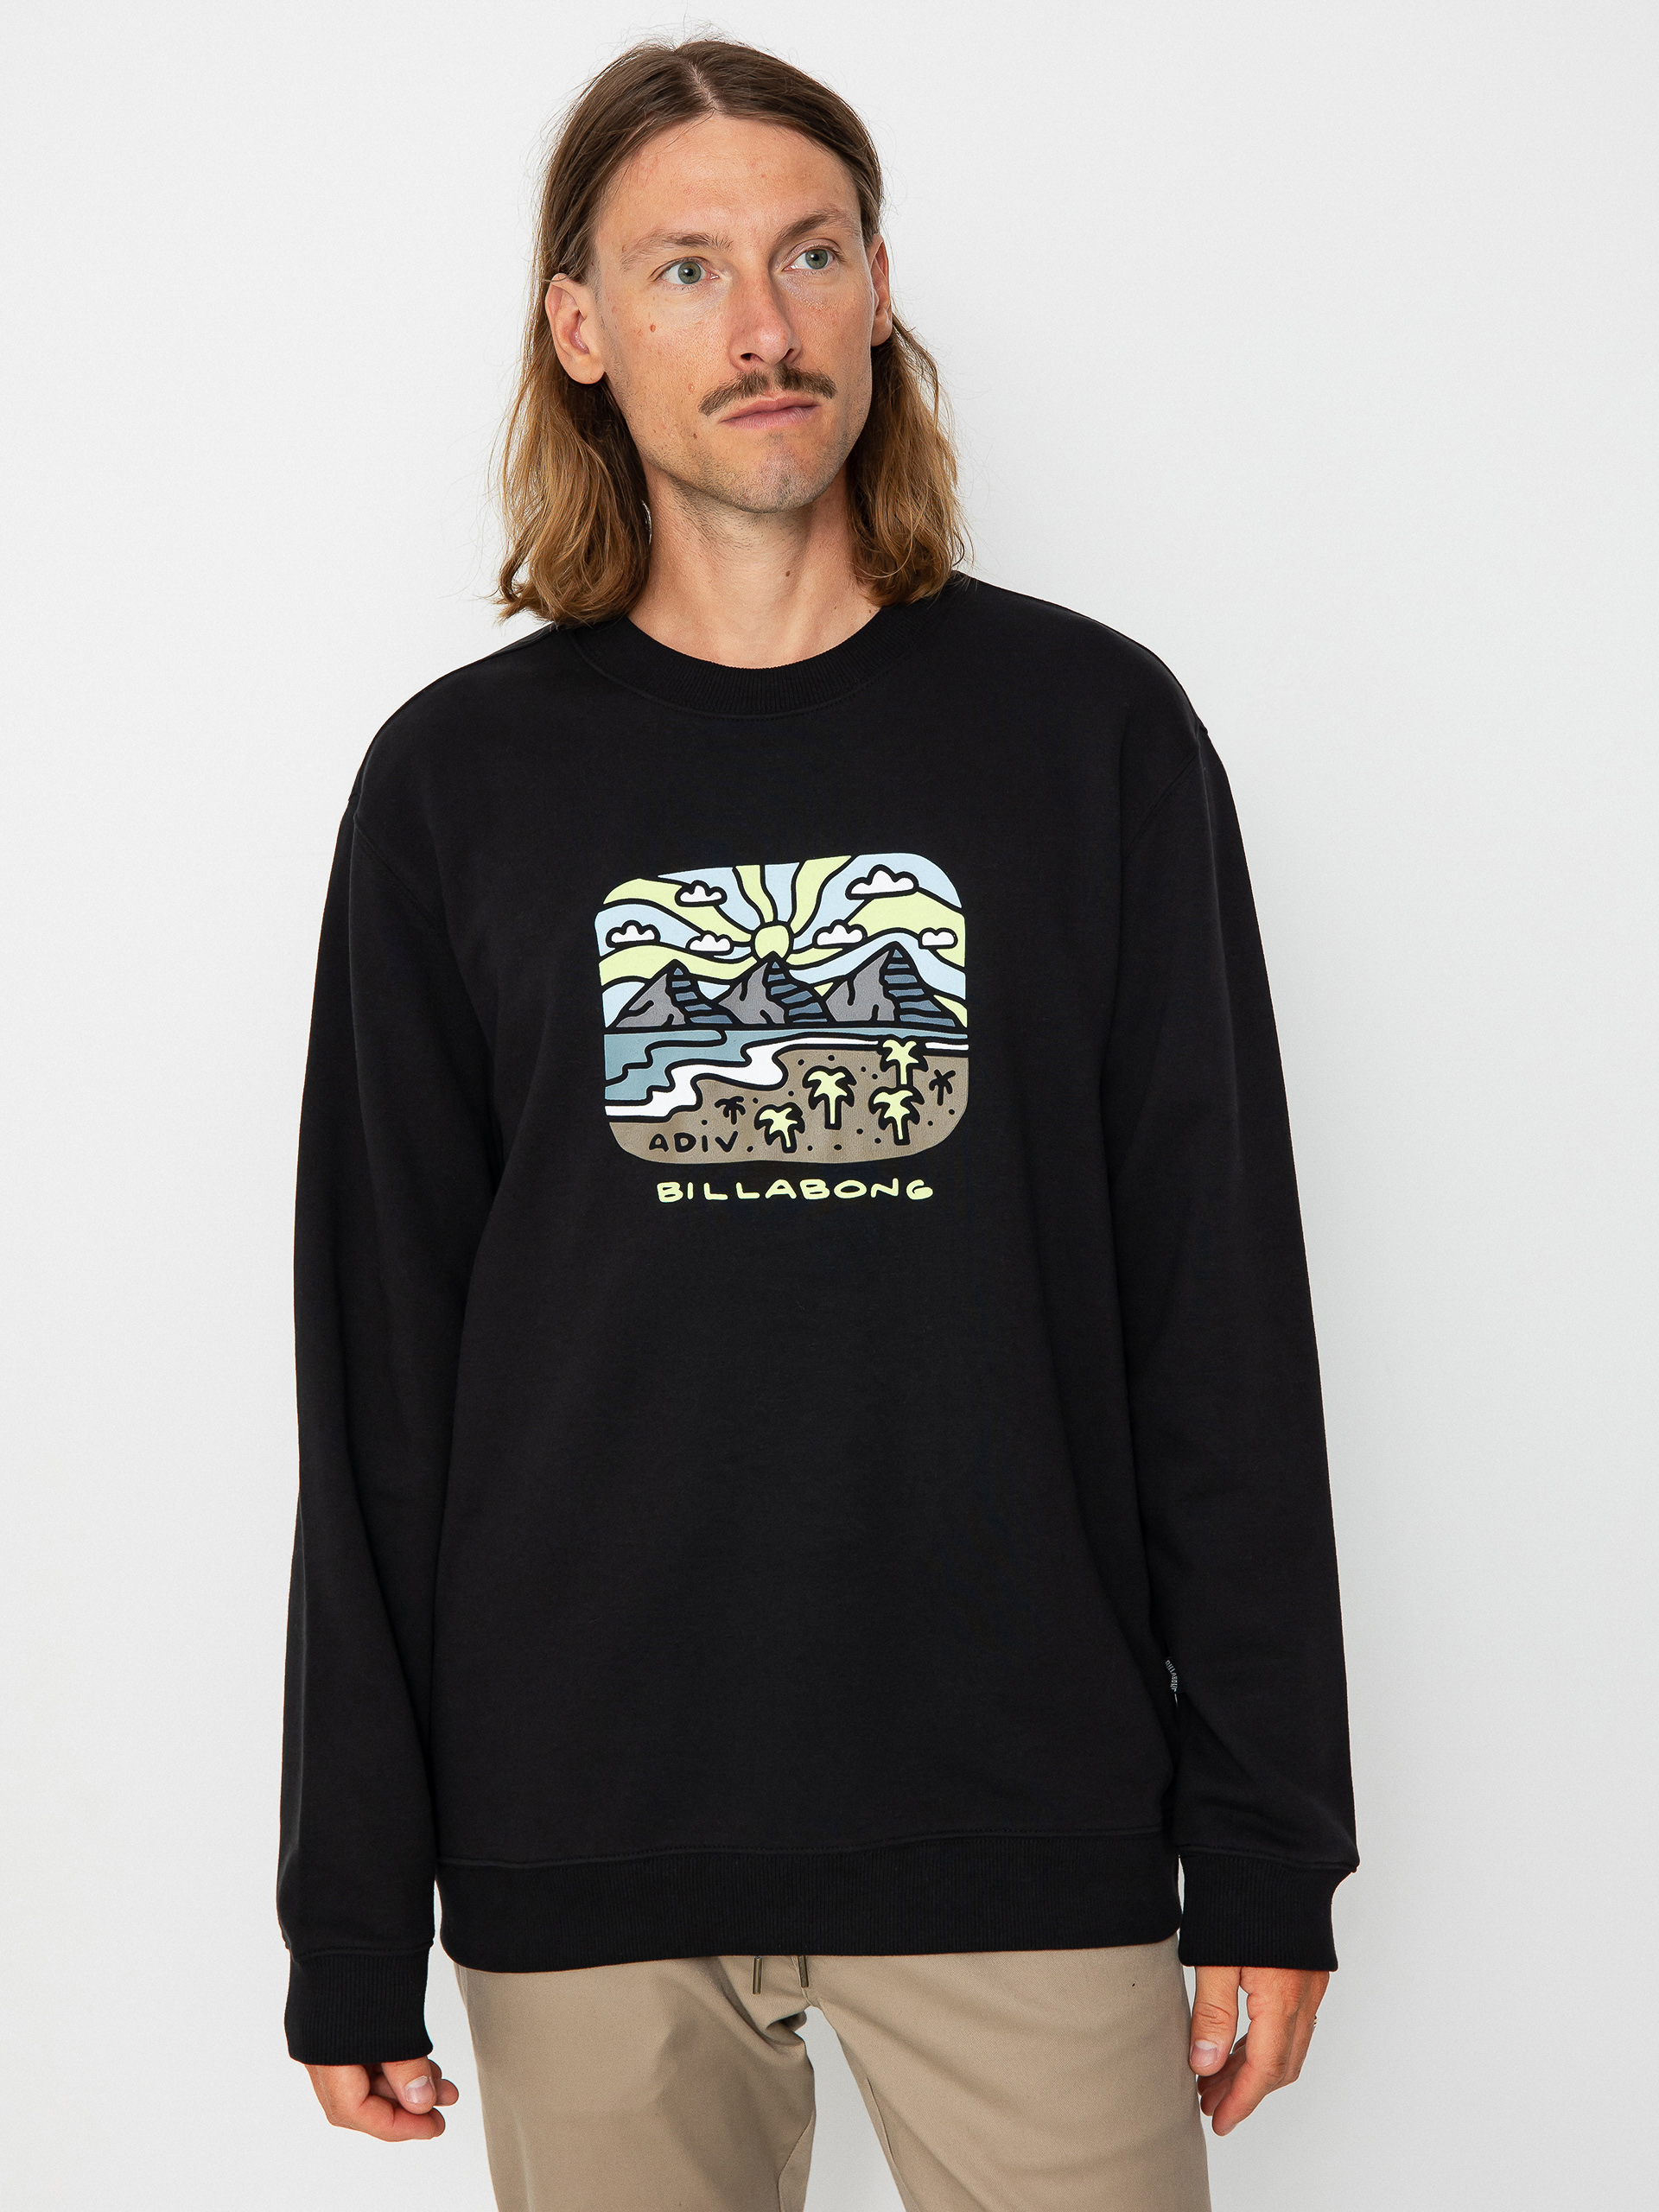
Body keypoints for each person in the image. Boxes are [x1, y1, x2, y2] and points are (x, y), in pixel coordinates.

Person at [278, 35, 1357, 2212]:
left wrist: (1269, 1840)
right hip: (582, 1825)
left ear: (877, 290)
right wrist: (351, 1897)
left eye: (810, 252)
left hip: (1024, 1805)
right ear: (582, 328)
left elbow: (1219, 1316)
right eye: (684, 268)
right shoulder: (456, 787)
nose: (760, 323)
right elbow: (382, 1374)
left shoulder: (1093, 735)